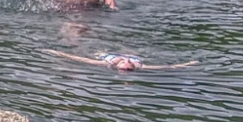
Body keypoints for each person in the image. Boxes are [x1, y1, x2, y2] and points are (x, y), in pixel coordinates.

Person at [43, 49, 195, 72]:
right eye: (126, 65)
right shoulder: (139, 65)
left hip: (108, 54)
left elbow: (81, 59)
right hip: (131, 53)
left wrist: (57, 53)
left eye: (124, 65)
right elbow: (166, 67)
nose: (126, 63)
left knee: (98, 53)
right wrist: (186, 64)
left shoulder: (109, 62)